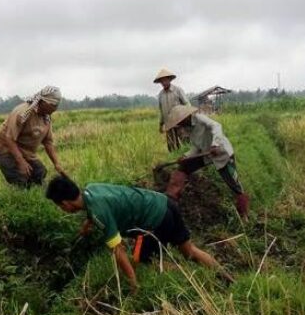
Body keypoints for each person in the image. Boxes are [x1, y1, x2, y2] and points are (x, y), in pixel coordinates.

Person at [46, 175, 234, 292]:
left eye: (59, 206)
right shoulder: (91, 188)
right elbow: (98, 206)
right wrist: (87, 224)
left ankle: (194, 281)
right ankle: (227, 278)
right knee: (190, 250)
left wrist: (133, 283)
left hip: (153, 222)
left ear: (64, 203)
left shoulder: (98, 214)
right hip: (165, 203)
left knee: (147, 263)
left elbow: (118, 250)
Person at [163, 105, 250, 220]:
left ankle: (244, 215)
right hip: (206, 154)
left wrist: (215, 144)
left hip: (221, 153)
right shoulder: (188, 129)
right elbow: (196, 147)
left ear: (185, 118)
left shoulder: (199, 118)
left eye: (179, 122)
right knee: (184, 167)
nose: (179, 125)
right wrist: (186, 156)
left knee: (234, 185)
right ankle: (171, 200)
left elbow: (217, 126)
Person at [0, 85, 66, 188]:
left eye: (57, 105)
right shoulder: (22, 113)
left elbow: (48, 142)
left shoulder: (46, 118)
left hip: (25, 151)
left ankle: (35, 191)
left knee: (40, 173)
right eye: (53, 105)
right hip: (6, 149)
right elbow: (9, 138)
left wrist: (57, 164)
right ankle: (20, 194)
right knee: (21, 179)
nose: (55, 108)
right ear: (43, 102)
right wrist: (21, 162)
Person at [154, 68, 190, 152]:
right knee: (172, 148)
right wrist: (161, 125)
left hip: (181, 123)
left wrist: (187, 118)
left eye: (165, 80)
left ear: (169, 79)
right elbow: (162, 111)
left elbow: (187, 104)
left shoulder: (177, 90)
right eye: (161, 81)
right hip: (169, 125)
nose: (163, 82)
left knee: (186, 144)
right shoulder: (160, 95)